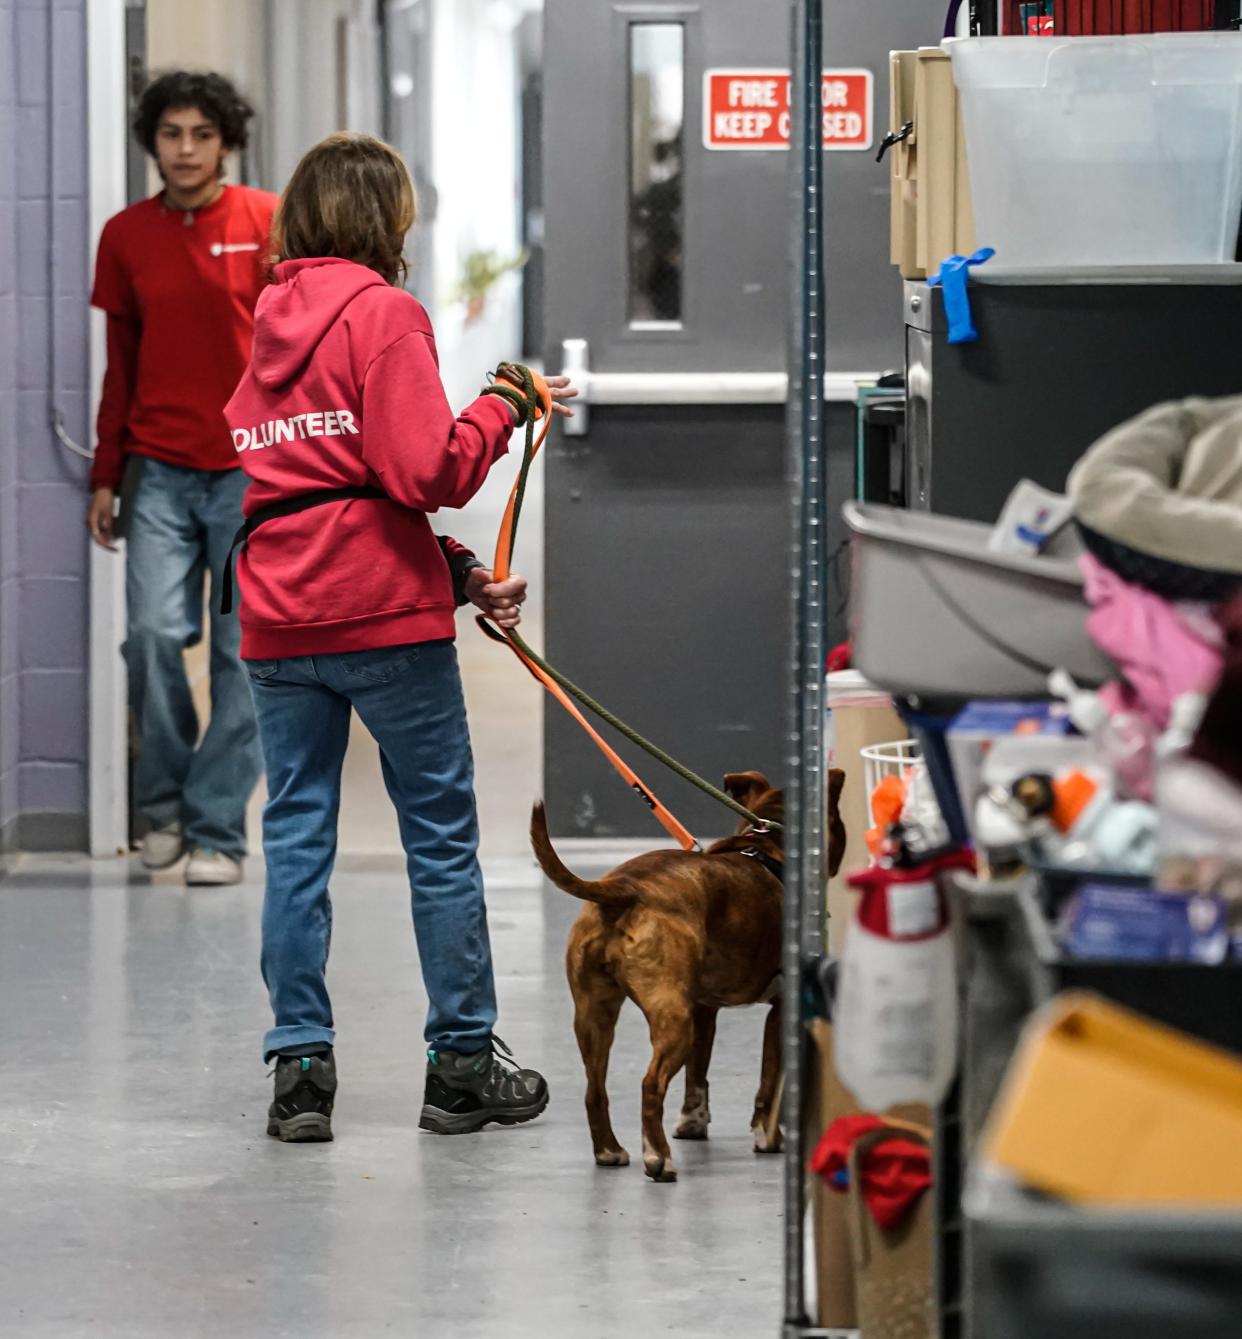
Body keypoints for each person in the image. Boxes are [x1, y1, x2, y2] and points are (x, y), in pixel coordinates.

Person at [223, 133, 578, 1143]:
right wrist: (501, 407)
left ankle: (299, 1070)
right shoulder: (384, 313)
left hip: (280, 615)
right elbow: (424, 472)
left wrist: (458, 572)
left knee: (294, 836)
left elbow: (322, 476)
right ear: (386, 222)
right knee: (439, 839)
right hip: (381, 619)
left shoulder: (270, 318)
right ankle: (462, 1065)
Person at [86, 72, 273, 886]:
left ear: (225, 139)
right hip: (156, 471)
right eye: (172, 134)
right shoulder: (125, 235)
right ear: (152, 142)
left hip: (248, 471)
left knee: (244, 654)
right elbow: (118, 368)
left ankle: (218, 830)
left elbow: (294, 356)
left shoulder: (268, 223)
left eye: (202, 133)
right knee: (154, 637)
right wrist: (106, 476)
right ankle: (160, 805)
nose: (187, 149)